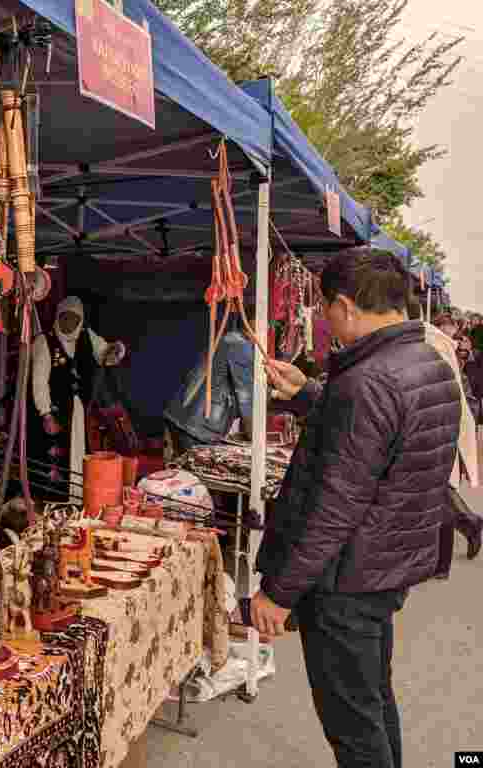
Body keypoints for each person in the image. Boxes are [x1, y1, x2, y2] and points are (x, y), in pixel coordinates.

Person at [253, 250, 461, 768]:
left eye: (327, 309)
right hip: (384, 569)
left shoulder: (366, 382)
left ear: (345, 306)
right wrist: (308, 394)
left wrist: (278, 593)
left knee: (354, 726)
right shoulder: (427, 363)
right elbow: (381, 443)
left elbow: (333, 509)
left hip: (345, 582)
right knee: (371, 702)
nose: (326, 320)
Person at [30, 296, 126, 501]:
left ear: (80, 320)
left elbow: (104, 354)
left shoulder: (86, 336)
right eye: (64, 317)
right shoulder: (44, 341)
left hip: (78, 410)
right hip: (54, 410)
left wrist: (114, 350)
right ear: (57, 317)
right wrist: (45, 414)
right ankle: (53, 501)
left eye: (74, 318)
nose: (69, 323)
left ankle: (76, 497)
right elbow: (39, 381)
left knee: (79, 452)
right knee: (54, 457)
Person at [415, 307, 482, 568]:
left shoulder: (450, 360)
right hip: (434, 428)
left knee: (440, 489)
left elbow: (467, 402)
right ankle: (467, 524)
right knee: (439, 489)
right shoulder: (437, 353)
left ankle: (465, 527)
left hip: (442, 429)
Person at [163, 312, 255, 458]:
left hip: (180, 417)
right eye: (267, 323)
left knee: (182, 473)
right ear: (252, 321)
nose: (268, 329)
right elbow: (246, 397)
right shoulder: (240, 345)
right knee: (196, 475)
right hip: (197, 427)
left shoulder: (228, 339)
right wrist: (256, 439)